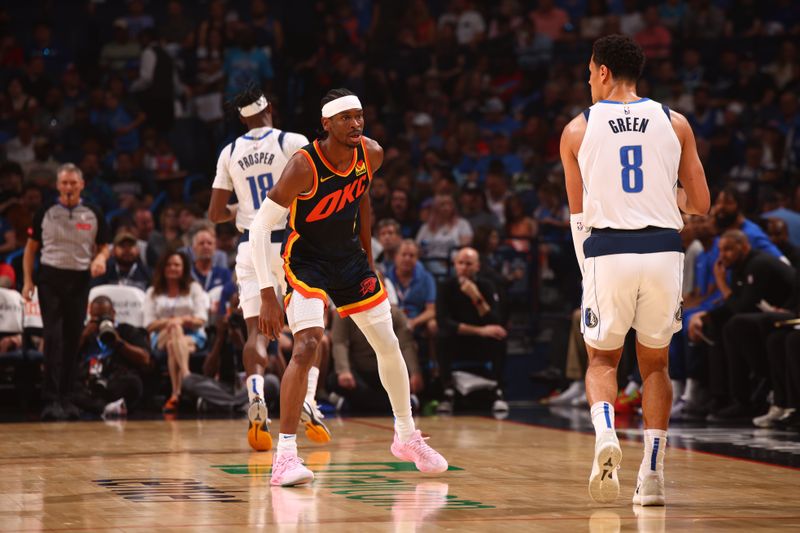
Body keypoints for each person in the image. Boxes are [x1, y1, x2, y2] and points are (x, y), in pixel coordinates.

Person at [251, 88, 448, 486]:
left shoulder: (370, 153)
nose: (356, 124)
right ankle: (284, 456)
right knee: (307, 344)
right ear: (326, 124)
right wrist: (267, 292)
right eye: (346, 118)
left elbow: (362, 199)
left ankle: (407, 436)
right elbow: (259, 227)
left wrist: (370, 261)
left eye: (359, 116)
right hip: (306, 260)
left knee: (388, 343)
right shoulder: (303, 166)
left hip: (350, 259)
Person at [560, 35, 709, 506]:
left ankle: (606, 433)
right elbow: (701, 204)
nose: (588, 80)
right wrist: (670, 198)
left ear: (602, 71)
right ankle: (654, 475)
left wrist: (589, 273)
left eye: (588, 72)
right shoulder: (675, 122)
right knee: (656, 365)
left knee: (603, 359)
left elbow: (578, 215)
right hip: (664, 251)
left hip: (608, 251)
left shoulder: (576, 129)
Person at [207, 86, 330, 451]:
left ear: (242, 118)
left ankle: (256, 395)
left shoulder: (229, 152)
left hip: (250, 244)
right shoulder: (291, 141)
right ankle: (308, 400)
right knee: (311, 330)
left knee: (255, 332)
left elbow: (215, 214)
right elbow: (319, 187)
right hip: (293, 243)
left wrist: (242, 210)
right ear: (269, 109)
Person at [22, 163, 111, 421]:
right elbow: (30, 249)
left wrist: (100, 259)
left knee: (73, 338)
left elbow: (105, 246)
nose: (69, 187)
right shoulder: (46, 212)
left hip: (80, 279)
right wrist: (28, 281)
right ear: (58, 186)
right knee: (53, 337)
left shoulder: (93, 212)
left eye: (74, 183)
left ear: (81, 185)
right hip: (50, 278)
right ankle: (50, 399)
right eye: (64, 183)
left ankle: (67, 397)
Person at [435, 247, 508, 414]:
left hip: (481, 342)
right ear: (455, 265)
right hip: (457, 338)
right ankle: (447, 391)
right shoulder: (446, 286)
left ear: (477, 266)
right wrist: (480, 331)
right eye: (460, 263)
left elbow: (495, 320)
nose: (464, 267)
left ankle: (498, 391)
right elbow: (443, 322)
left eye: (469, 263)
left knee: (499, 335)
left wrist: (476, 298)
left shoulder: (487, 286)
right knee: (442, 336)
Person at [143, 250, 209, 412]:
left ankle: (176, 393)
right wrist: (173, 322)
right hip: (161, 336)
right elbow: (149, 325)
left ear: (184, 268)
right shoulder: (153, 292)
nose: (172, 267)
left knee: (174, 343)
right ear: (162, 268)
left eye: (177, 265)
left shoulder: (194, 288)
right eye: (169, 264)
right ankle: (186, 375)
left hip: (192, 336)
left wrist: (180, 321)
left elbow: (201, 319)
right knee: (174, 329)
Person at [74, 296, 152, 417]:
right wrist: (84, 336)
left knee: (133, 383)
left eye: (104, 317)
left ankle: (100, 407)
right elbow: (65, 357)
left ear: (113, 314)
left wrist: (118, 342)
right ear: (89, 316)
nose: (100, 322)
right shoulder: (84, 333)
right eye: (96, 318)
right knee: (69, 386)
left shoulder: (127, 330)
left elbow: (145, 359)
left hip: (115, 379)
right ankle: (106, 408)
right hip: (88, 381)